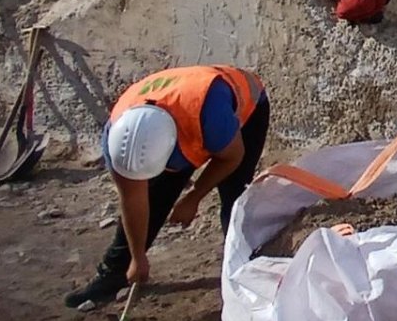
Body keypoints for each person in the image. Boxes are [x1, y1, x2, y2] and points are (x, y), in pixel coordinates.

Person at [64, 65, 270, 308]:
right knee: (156, 195)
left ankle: (243, 270)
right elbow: (133, 199)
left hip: (245, 105)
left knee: (234, 196)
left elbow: (232, 157)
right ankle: (115, 272)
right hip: (178, 114)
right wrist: (137, 257)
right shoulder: (118, 139)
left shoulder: (209, 118)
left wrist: (194, 197)